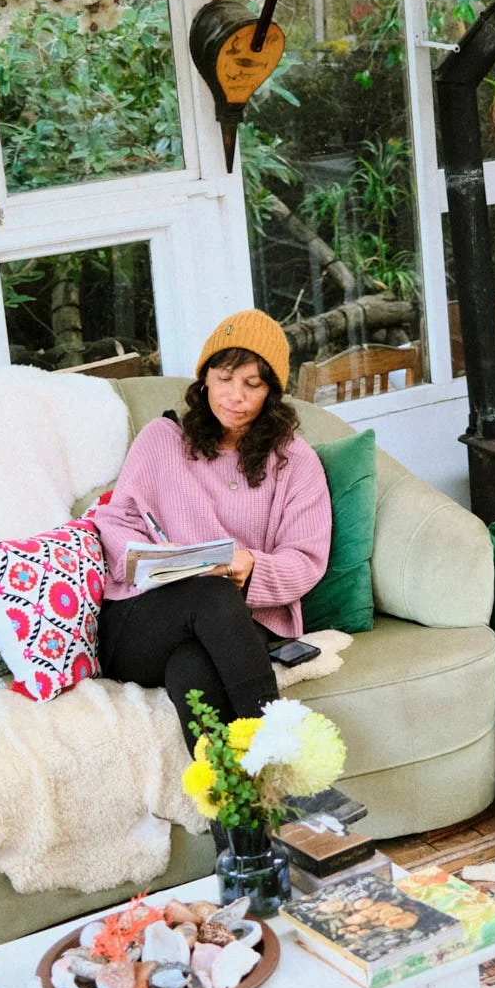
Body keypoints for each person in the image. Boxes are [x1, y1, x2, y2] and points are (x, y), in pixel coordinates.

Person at [95, 309, 331, 740]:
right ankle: (279, 748)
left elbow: (306, 559)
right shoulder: (162, 439)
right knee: (212, 595)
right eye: (224, 379)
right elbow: (116, 520)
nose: (234, 396)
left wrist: (253, 567)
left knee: (192, 669)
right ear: (204, 379)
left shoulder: (294, 461)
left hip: (232, 625)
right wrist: (147, 557)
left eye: (252, 385)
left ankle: (232, 784)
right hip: (141, 623)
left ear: (272, 393)